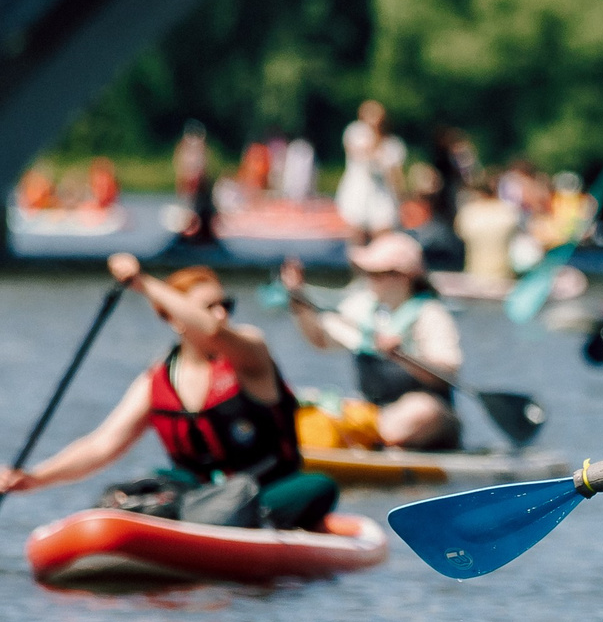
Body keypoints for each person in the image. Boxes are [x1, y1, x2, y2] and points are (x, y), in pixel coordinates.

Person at [0, 257, 339, 531]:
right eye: (208, 306)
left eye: (226, 304)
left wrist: (142, 282)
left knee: (320, 486)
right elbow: (101, 446)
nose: (221, 314)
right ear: (174, 319)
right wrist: (33, 479)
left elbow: (212, 330)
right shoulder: (158, 380)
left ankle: (228, 522)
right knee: (156, 482)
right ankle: (186, 521)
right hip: (198, 499)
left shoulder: (251, 352)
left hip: (269, 491)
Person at [283, 234, 465, 451]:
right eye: (367, 272)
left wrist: (402, 356)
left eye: (377, 274)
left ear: (404, 276)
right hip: (376, 410)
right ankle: (361, 434)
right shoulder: (362, 307)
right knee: (308, 397)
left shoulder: (430, 314)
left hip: (428, 414)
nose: (369, 279)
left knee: (421, 410)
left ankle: (360, 436)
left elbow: (447, 374)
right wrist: (298, 299)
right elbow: (320, 339)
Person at [336, 101, 406, 240]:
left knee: (383, 239)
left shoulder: (393, 144)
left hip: (382, 198)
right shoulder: (354, 133)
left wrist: (401, 201)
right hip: (357, 195)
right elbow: (361, 152)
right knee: (357, 238)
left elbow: (396, 176)